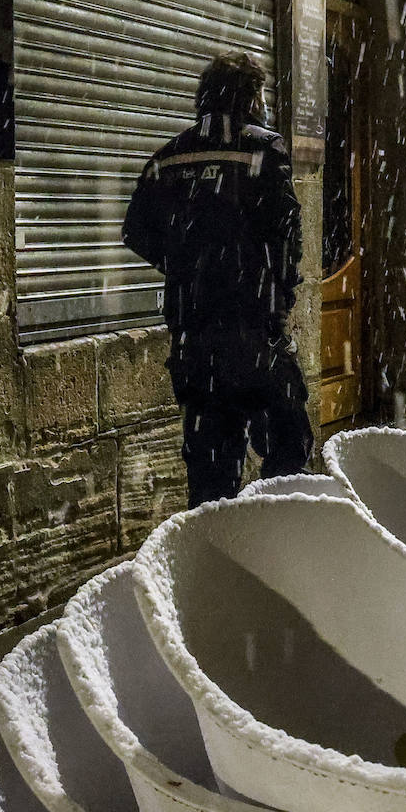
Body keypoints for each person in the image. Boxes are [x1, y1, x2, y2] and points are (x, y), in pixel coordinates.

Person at [121, 52, 313, 507]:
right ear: (249, 97)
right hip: (255, 337)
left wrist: (188, 269)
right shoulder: (264, 150)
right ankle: (274, 549)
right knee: (288, 453)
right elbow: (287, 237)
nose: (264, 103)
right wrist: (276, 294)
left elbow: (135, 231)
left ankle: (215, 559)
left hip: (195, 343)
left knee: (210, 478)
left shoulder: (170, 156)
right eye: (261, 93)